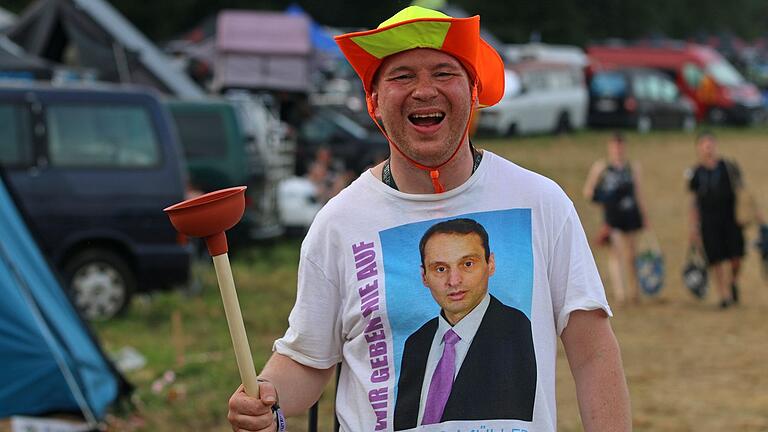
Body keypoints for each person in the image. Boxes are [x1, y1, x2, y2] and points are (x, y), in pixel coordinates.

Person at [227, 6, 630, 432]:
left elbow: (593, 354)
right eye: (402, 76)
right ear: (374, 102)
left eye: (443, 73)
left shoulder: (542, 203)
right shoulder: (339, 224)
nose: (424, 91)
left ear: (472, 93)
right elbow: (307, 360)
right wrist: (265, 398)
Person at [393, 218, 536, 429]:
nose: (454, 280)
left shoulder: (517, 329)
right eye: (440, 269)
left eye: (467, 264)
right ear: (424, 276)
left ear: (491, 264)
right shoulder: (416, 342)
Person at [686, 131, 757, 308]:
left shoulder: (728, 167)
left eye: (710, 144)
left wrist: (755, 215)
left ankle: (732, 281)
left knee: (736, 258)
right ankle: (724, 296)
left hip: (732, 220)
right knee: (715, 260)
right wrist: (694, 227)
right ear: (699, 149)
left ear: (715, 145)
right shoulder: (696, 173)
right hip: (709, 223)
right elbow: (693, 202)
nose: (708, 149)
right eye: (704, 145)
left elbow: (744, 193)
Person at [583, 132, 648, 305]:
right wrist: (605, 198)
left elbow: (639, 193)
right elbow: (589, 191)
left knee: (631, 255)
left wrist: (644, 216)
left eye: (620, 146)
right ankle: (620, 293)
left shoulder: (631, 167)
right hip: (612, 217)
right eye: (614, 146)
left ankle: (635, 292)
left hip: (630, 215)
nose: (618, 150)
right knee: (616, 253)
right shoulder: (602, 167)